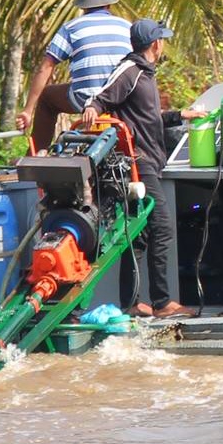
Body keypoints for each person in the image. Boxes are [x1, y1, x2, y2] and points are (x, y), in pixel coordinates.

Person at [80, 18, 185, 317]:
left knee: (138, 233)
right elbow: (104, 95)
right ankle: (163, 302)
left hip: (149, 160)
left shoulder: (146, 73)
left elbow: (147, 118)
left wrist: (180, 115)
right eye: (162, 39)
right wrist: (92, 107)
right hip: (137, 162)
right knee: (162, 227)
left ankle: (133, 304)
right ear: (155, 44)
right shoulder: (132, 69)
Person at [18, 0, 130, 151]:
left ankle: (37, 154)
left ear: (83, 6)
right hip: (121, 99)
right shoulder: (126, 26)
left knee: (47, 97)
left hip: (85, 99)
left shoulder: (71, 28)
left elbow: (46, 67)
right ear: (108, 4)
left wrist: (28, 110)